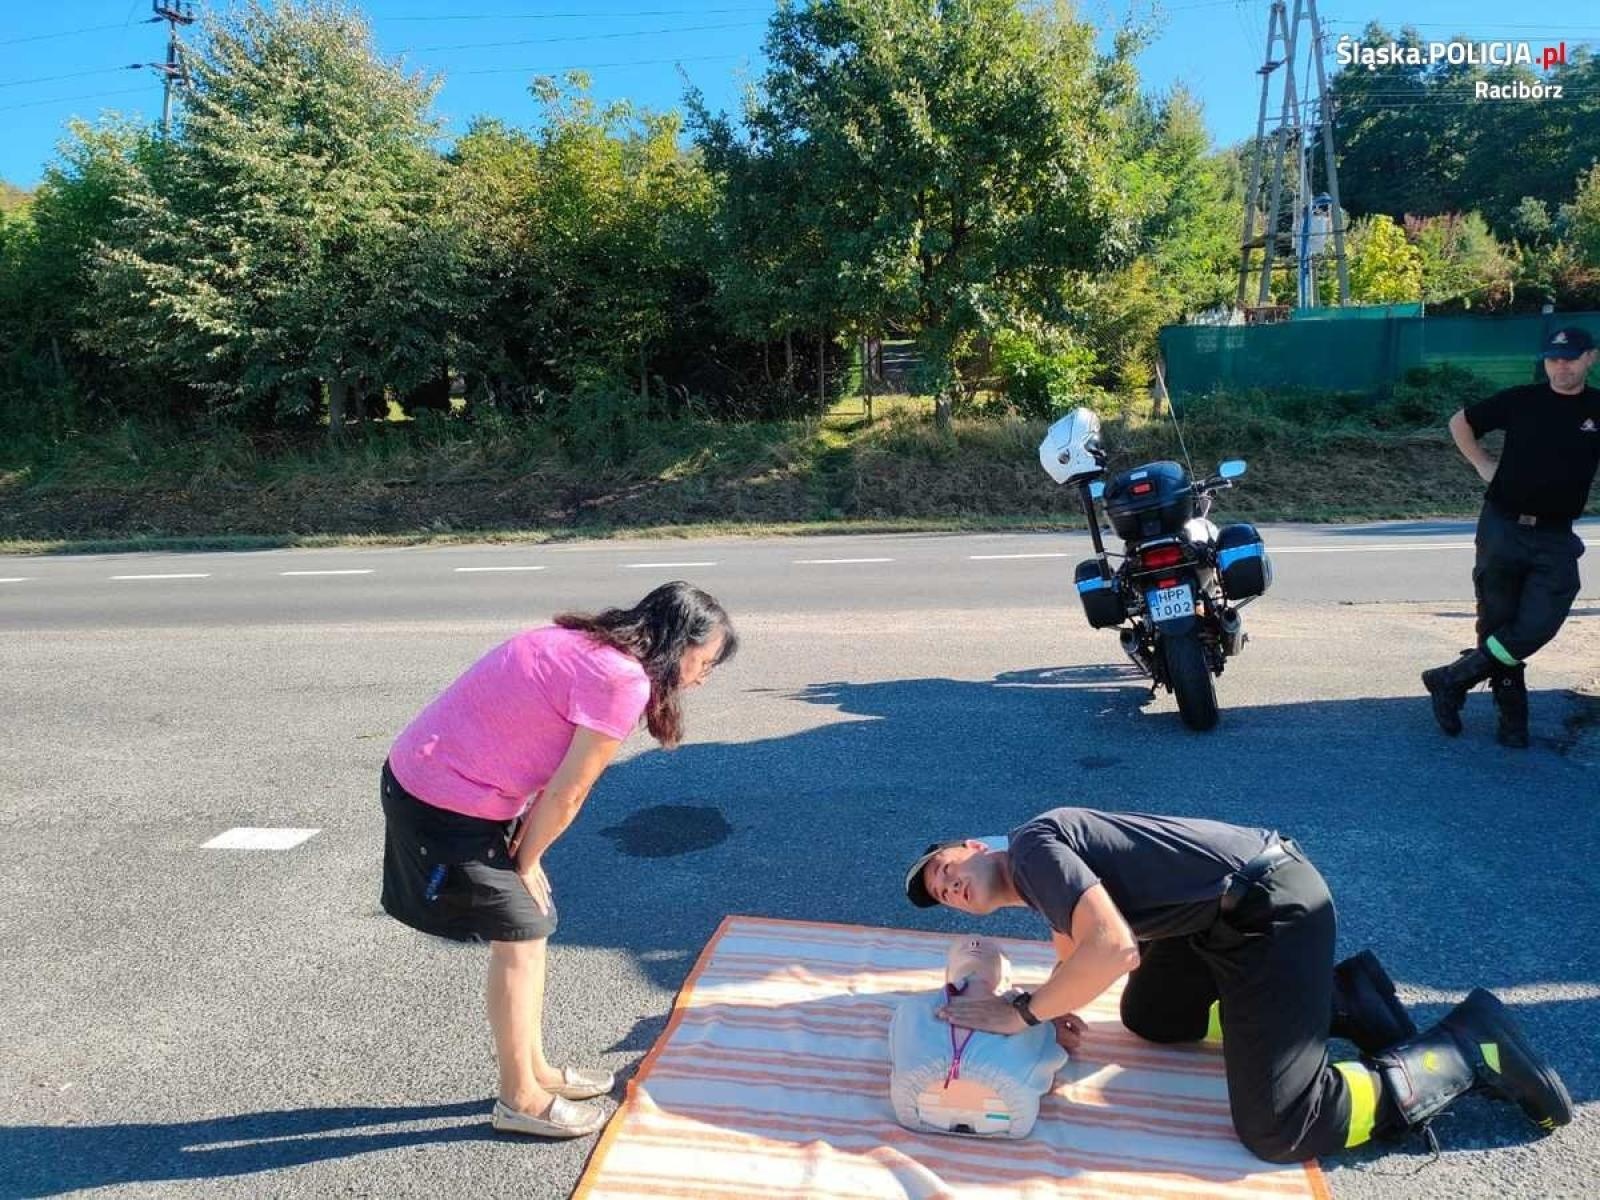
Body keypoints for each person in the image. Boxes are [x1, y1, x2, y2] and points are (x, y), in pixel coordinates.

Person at [903, 807, 1572, 1163]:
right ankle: (1344, 998)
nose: (950, 890)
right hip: (1215, 921)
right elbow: (1076, 954)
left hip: (1272, 912)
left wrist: (1022, 1012)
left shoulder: (1031, 849)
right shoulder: (1036, 875)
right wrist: (1050, 1013)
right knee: (1154, 1021)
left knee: (1282, 1128)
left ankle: (1469, 1045)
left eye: (942, 870)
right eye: (943, 897)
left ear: (970, 845)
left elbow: (1111, 947)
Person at [380, 582, 737, 1137]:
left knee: (528, 930)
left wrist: (527, 850)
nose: (702, 676)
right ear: (676, 644)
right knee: (523, 932)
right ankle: (519, 1097)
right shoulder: (622, 681)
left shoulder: (579, 640)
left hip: (435, 779)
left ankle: (535, 1071)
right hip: (443, 799)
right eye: (705, 662)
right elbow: (570, 790)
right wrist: (526, 861)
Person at [1423, 326, 1600, 747]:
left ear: (1590, 358)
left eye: (1571, 357)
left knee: (1539, 621)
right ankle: (1512, 717)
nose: (1561, 366)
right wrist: (1484, 465)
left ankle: (1452, 679)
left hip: (1556, 534)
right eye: (1553, 358)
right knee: (1498, 620)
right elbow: (1460, 422)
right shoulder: (1523, 400)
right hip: (1503, 525)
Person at [888, 937, 1077, 1139]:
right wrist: (1052, 1029)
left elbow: (896, 1046)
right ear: (1006, 981)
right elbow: (1052, 1046)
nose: (974, 946)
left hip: (914, 1092)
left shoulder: (915, 1007)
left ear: (948, 975)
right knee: (1036, 1050)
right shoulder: (1025, 1008)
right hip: (1012, 1089)